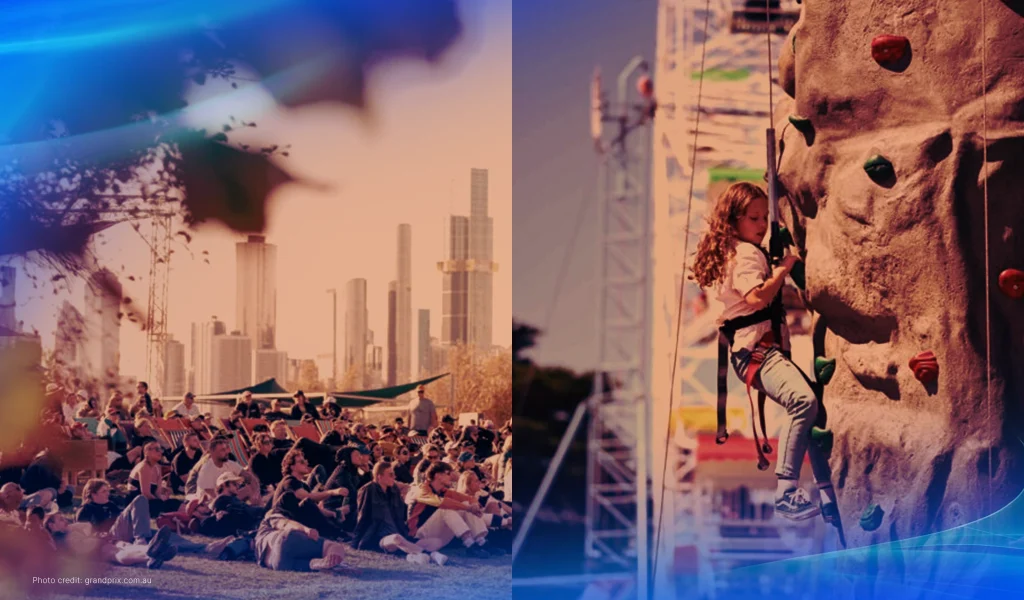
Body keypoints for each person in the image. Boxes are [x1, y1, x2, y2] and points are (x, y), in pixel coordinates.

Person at [691, 181, 833, 521]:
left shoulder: (738, 253)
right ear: (735, 221)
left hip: (756, 350)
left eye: (763, 217)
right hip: (757, 352)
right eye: (753, 218)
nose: (760, 224)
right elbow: (756, 298)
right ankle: (786, 491)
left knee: (814, 411)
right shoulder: (745, 254)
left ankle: (828, 492)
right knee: (805, 402)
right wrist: (785, 266)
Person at [352, 462, 447, 565]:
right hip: (379, 538)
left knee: (437, 542)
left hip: (401, 535)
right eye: (390, 474)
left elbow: (403, 512)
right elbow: (362, 516)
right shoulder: (368, 490)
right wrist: (357, 542)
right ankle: (430, 554)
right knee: (396, 538)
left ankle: (412, 555)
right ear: (379, 477)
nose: (394, 476)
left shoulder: (394, 490)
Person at [406, 462, 491, 558]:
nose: (451, 476)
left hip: (437, 536)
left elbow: (469, 499)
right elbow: (441, 502)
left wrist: (473, 505)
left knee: (465, 504)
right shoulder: (422, 489)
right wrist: (468, 508)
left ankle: (481, 542)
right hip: (419, 536)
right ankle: (469, 544)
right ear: (438, 475)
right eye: (448, 473)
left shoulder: (443, 491)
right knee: (446, 509)